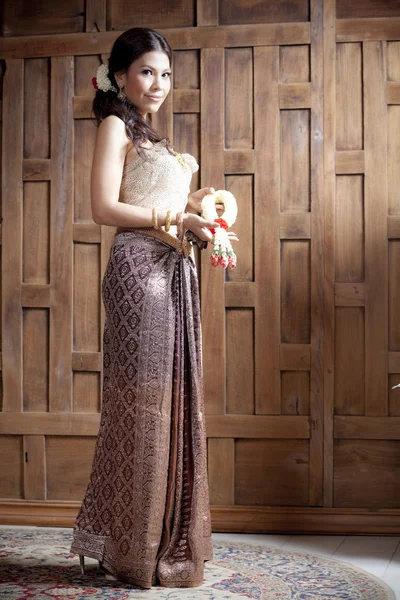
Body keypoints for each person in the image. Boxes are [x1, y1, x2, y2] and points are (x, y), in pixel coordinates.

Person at [69, 27, 239, 589]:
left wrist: (196, 211)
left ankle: (162, 539)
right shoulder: (116, 124)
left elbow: (151, 197)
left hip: (174, 270)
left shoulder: (148, 131)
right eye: (146, 71)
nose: (158, 83)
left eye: (166, 73)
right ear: (119, 75)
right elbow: (103, 207)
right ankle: (135, 547)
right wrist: (176, 220)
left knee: (172, 400)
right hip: (140, 275)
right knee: (143, 407)